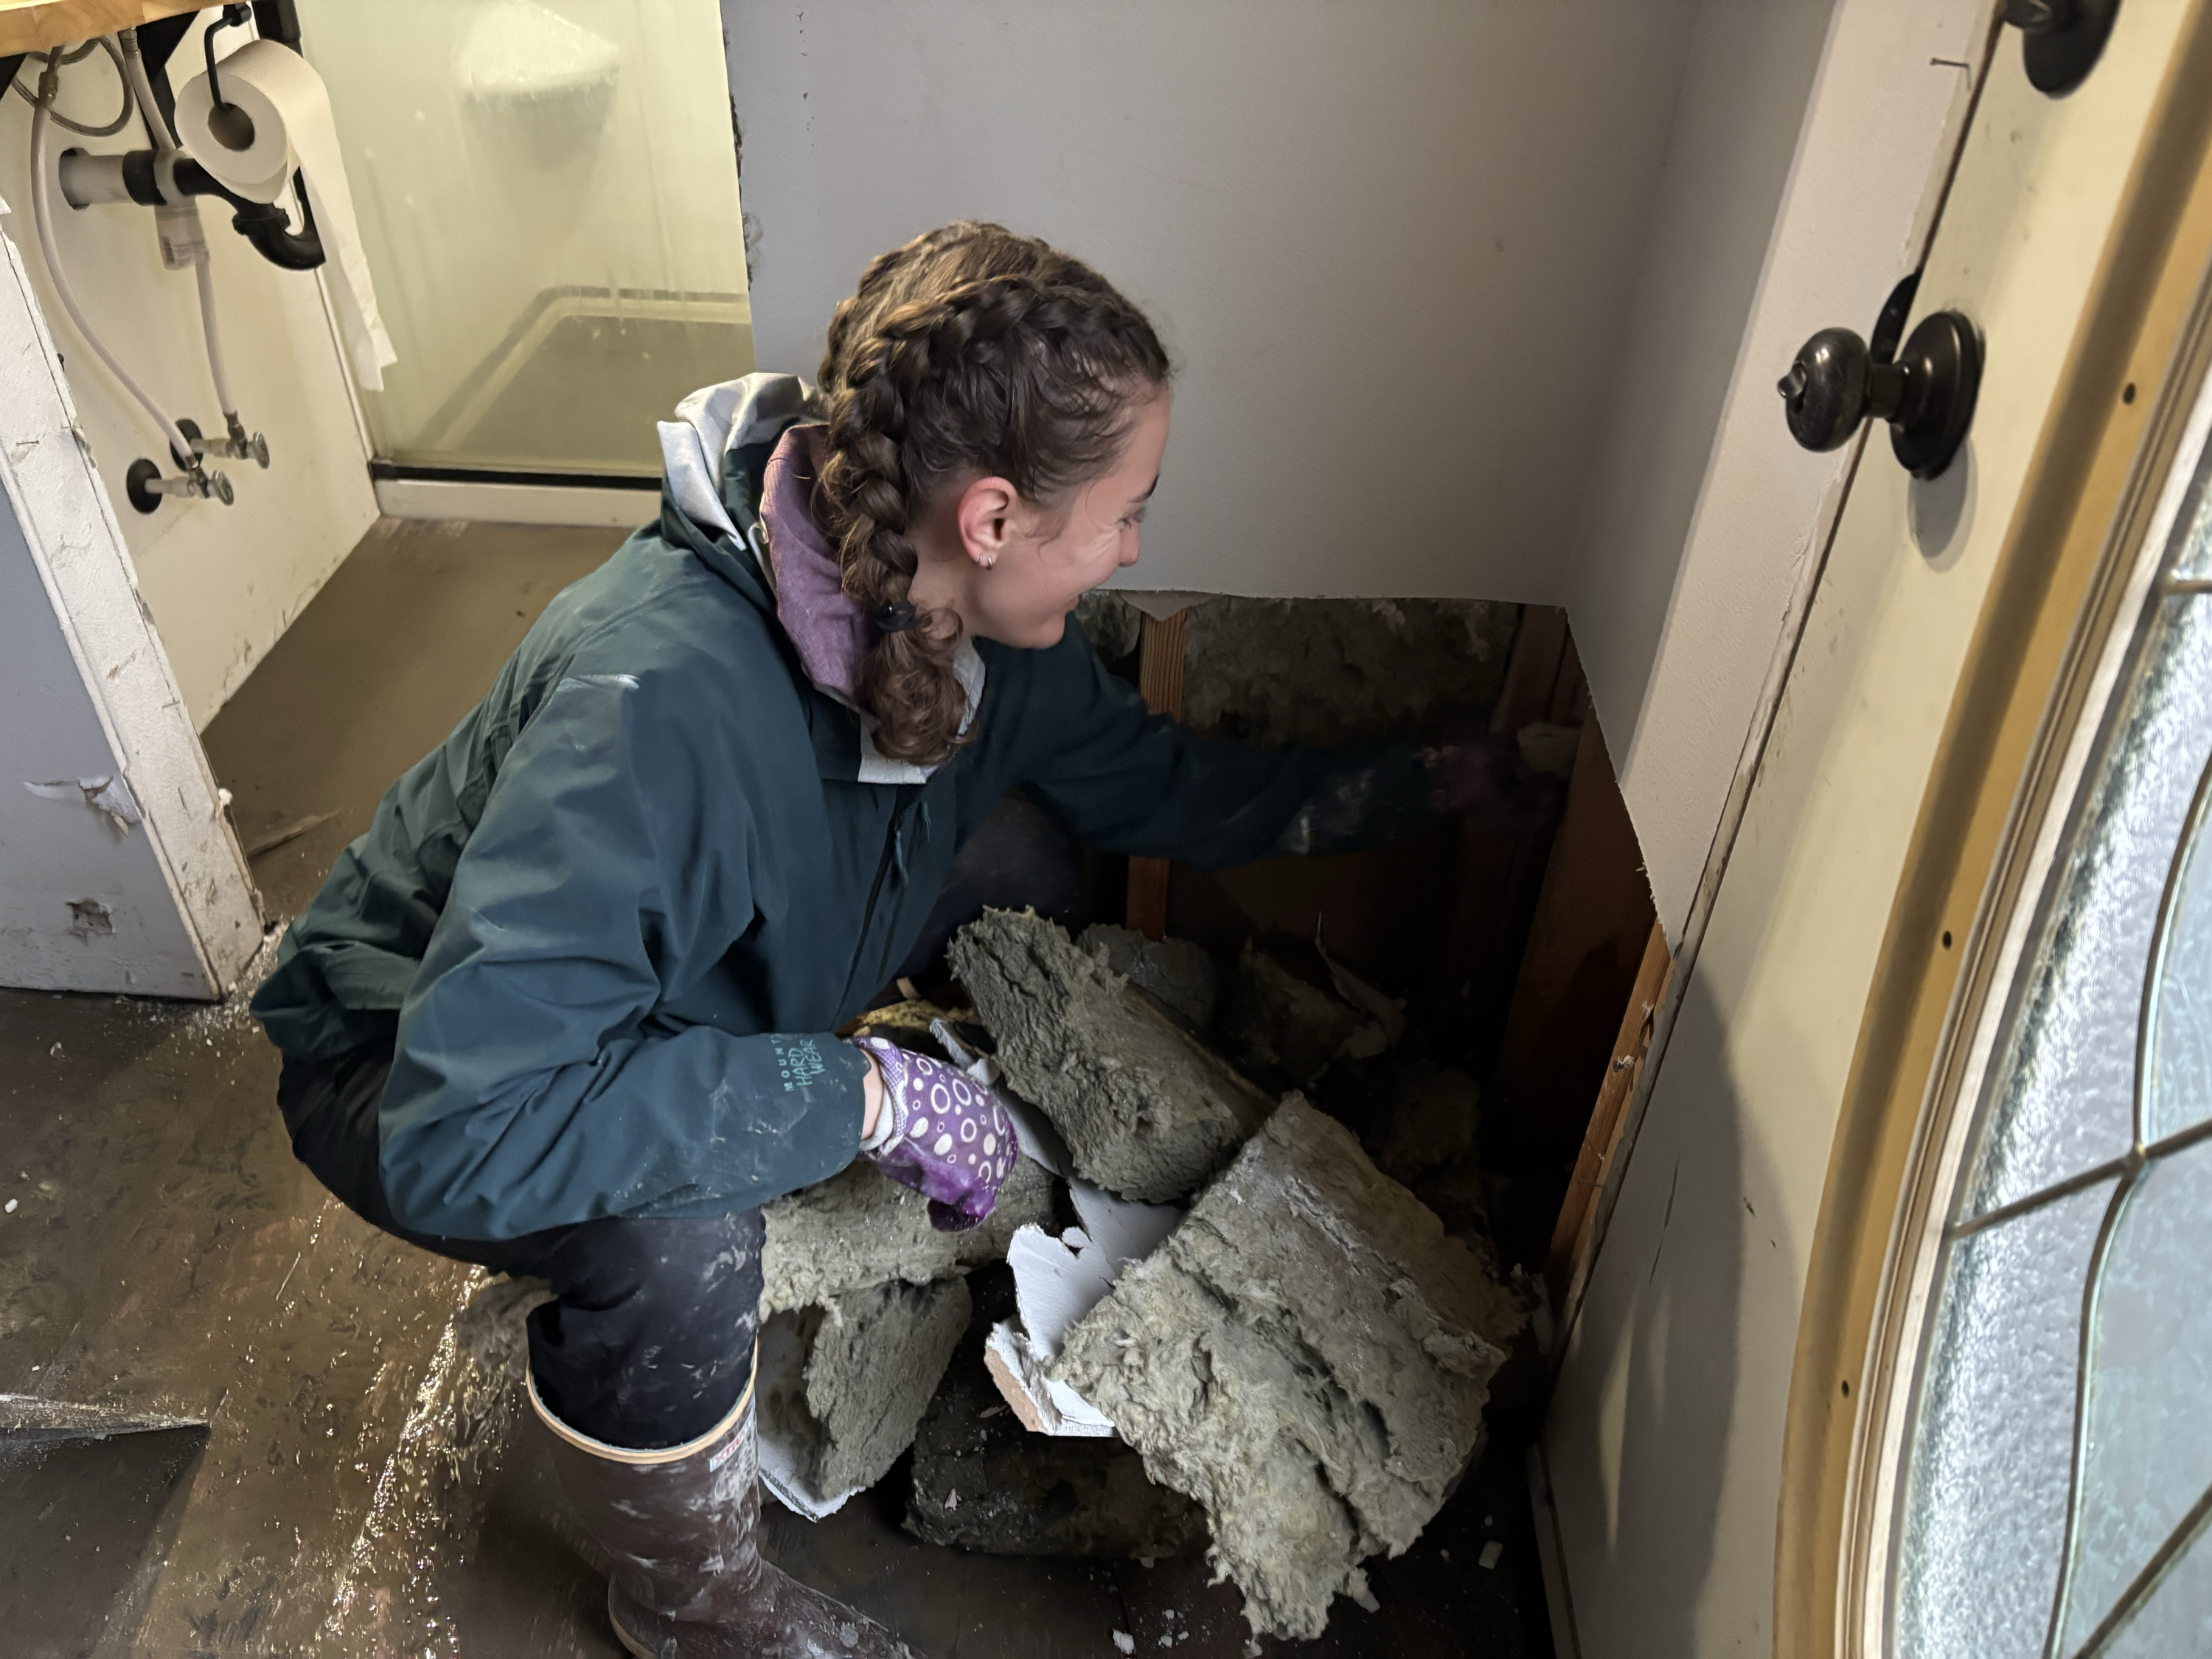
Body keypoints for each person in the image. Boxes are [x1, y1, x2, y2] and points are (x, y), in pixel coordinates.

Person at [251, 221, 1555, 1659]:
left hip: (628, 984)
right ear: (992, 518)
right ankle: (694, 1610)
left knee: (1023, 841)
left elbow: (1171, 790)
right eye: (1124, 512)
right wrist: (855, 1097)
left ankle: (782, 1081)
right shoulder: (658, 708)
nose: (1133, 547)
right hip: (416, 1066)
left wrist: (1417, 789)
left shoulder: (971, 632)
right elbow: (470, 1124)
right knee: (681, 1237)